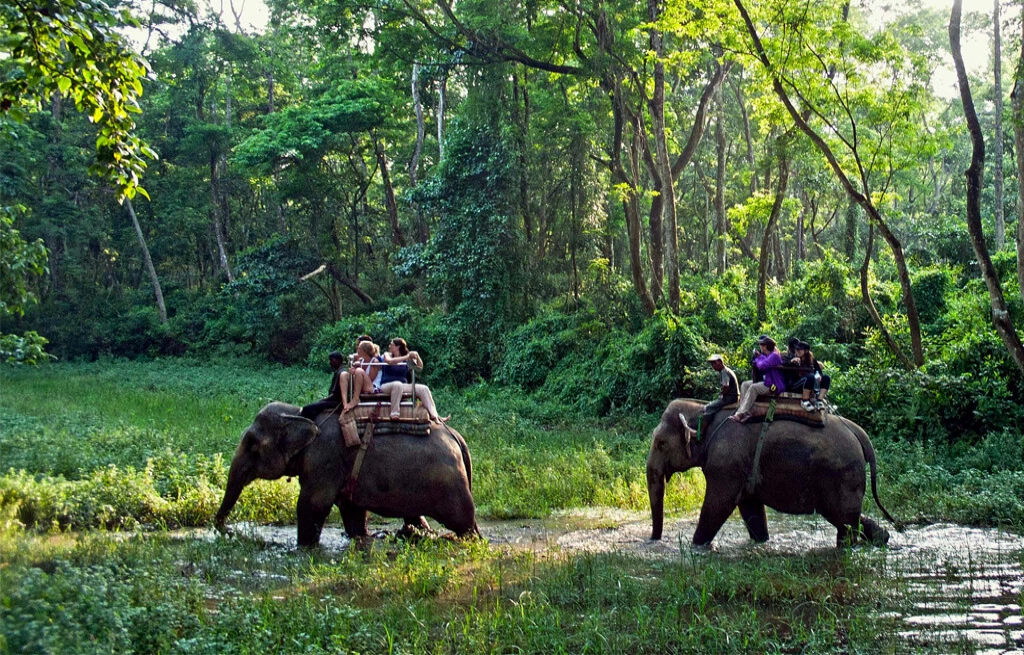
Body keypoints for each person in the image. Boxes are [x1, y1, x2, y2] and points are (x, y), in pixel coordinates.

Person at [379, 337, 449, 424]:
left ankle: (434, 415)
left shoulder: (406, 359)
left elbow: (419, 368)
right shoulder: (387, 354)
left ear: (398, 347)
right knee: (397, 385)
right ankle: (394, 413)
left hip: (402, 385)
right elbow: (390, 361)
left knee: (423, 388)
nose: (389, 346)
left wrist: (417, 356)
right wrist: (407, 356)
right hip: (387, 385)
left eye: (392, 344)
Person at [730, 335, 787, 423]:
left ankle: (740, 413)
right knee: (745, 384)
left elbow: (762, 365)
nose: (760, 347)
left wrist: (758, 358)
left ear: (765, 346)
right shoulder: (769, 355)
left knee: (754, 387)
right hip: (767, 380)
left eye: (761, 345)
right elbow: (763, 361)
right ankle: (745, 411)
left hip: (773, 384)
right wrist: (759, 357)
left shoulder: (774, 356)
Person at [300, 351, 345, 420]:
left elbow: (335, 394)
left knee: (307, 408)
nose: (330, 363)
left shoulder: (340, 373)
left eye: (332, 360)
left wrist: (323, 399)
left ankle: (310, 426)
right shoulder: (340, 371)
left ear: (337, 361)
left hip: (335, 402)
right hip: (334, 401)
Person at [794, 341, 831, 411]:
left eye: (800, 349)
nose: (797, 351)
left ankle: (819, 400)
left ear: (806, 351)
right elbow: (785, 364)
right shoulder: (793, 358)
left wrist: (819, 376)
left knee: (826, 378)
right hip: (796, 384)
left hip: (811, 384)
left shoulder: (812, 360)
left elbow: (819, 372)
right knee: (810, 376)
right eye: (796, 349)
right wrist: (792, 362)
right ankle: (805, 400)